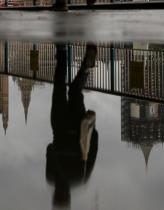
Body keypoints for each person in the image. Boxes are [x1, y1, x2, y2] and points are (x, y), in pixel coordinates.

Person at [46, 43, 98, 208]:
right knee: (59, 84)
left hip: (78, 128)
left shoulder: (81, 179)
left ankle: (86, 68)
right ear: (55, 196)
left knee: (75, 91)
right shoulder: (51, 177)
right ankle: (62, 51)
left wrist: (91, 129)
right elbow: (49, 149)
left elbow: (93, 146)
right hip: (59, 127)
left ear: (69, 197)